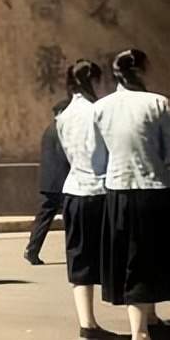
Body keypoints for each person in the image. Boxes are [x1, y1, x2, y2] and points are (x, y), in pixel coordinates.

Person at [93, 49, 170, 340]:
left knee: (129, 257)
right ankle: (140, 331)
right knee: (150, 255)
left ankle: (148, 317)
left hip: (118, 190)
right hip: (154, 189)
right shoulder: (158, 103)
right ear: (141, 70)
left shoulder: (101, 108)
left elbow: (97, 157)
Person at [55, 59, 120, 339]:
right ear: (93, 80)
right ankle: (144, 318)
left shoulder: (63, 116)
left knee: (79, 257)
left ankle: (87, 322)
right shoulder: (99, 111)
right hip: (101, 190)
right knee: (120, 255)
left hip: (74, 190)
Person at [24, 98, 71, 265]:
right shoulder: (61, 129)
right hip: (62, 181)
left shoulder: (49, 129)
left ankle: (32, 249)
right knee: (71, 219)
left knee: (43, 218)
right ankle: (73, 253)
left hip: (49, 181)